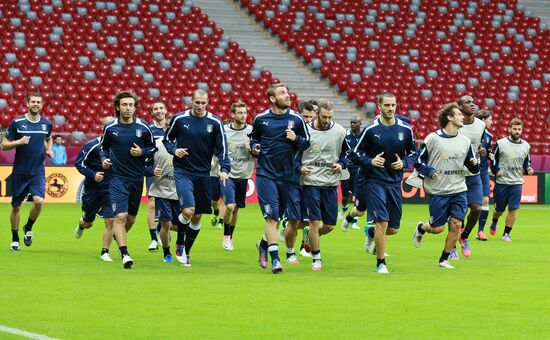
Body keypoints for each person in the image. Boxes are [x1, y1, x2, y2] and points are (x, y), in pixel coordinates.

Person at [343, 92, 416, 273]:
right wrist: (370, 161)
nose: (390, 109)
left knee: (393, 229)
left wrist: (404, 163)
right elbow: (354, 154)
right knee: (382, 222)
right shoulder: (371, 130)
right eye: (387, 105)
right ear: (379, 107)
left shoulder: (405, 130)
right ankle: (381, 263)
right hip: (373, 180)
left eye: (393, 105)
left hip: (394, 181)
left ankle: (370, 233)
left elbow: (413, 153)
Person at [163, 89, 230, 267]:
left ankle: (186, 252)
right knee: (188, 211)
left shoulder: (215, 122)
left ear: (207, 102)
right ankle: (179, 243)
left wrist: (224, 168)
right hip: (183, 171)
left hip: (203, 174)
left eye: (203, 103)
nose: (200, 106)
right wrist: (174, 150)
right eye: (197, 103)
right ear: (191, 101)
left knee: (198, 216)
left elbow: (223, 148)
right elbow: (167, 139)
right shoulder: (179, 119)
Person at [249, 83, 310, 273]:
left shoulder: (296, 119)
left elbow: (306, 143)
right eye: (282, 93)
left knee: (277, 217)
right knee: (271, 217)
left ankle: (263, 245)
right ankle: (276, 259)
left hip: (287, 176)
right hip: (266, 174)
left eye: (287, 92)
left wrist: (296, 139)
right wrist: (255, 147)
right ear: (272, 99)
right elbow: (254, 138)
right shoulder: (261, 119)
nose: (287, 95)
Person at [412, 103, 479, 269]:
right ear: (449, 117)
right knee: (437, 229)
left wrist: (475, 164)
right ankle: (421, 227)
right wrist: (429, 170)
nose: (462, 117)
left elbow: (472, 168)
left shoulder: (465, 141)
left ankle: (444, 259)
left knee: (456, 224)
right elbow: (418, 162)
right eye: (458, 114)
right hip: (438, 191)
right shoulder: (433, 138)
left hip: (459, 189)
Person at [100, 91, 156, 269]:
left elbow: (153, 148)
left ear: (135, 107)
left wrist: (142, 152)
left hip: (137, 179)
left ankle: (118, 236)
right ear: (118, 107)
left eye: (131, 105)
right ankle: (125, 253)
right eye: (124, 105)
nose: (128, 108)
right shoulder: (110, 128)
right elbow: (103, 148)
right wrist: (104, 159)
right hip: (117, 178)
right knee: (120, 216)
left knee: (130, 219)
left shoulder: (143, 127)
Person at [299, 99, 348, 270]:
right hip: (310, 182)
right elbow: (295, 153)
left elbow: (347, 154)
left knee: (329, 225)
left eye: (329, 117)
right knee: (314, 221)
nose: (326, 120)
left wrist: (341, 164)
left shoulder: (340, 131)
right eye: (324, 116)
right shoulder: (306, 131)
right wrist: (299, 167)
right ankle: (316, 258)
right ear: (317, 113)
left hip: (330, 183)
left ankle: (309, 236)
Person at [2, 93, 53, 251]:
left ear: (42, 105)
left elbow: (49, 138)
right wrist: (19, 141)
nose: (36, 104)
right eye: (33, 102)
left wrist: (49, 149)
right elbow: (4, 144)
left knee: (39, 201)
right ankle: (15, 237)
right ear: (28, 104)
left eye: (38, 102)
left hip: (38, 171)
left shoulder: (46, 123)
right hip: (20, 172)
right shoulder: (17, 122)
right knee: (16, 207)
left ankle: (28, 227)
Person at [74, 116, 116, 262]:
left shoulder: (119, 145)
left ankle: (105, 252)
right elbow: (79, 163)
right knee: (88, 222)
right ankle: (81, 226)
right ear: (102, 128)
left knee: (110, 220)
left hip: (111, 189)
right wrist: (93, 175)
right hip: (93, 190)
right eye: (107, 126)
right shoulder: (93, 145)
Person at [147, 117, 184, 263]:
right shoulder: (156, 145)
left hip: (180, 191)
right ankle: (167, 253)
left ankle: (160, 229)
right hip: (161, 191)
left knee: (179, 225)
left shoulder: (187, 145)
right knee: (167, 224)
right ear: (165, 128)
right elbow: (144, 164)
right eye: (168, 126)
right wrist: (151, 170)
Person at [489, 118, 533, 241]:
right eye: (514, 129)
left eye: (519, 129)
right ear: (509, 129)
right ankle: (494, 220)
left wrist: (528, 169)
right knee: (499, 209)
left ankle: (506, 234)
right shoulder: (501, 143)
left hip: (517, 182)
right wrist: (496, 170)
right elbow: (493, 159)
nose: (517, 131)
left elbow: (527, 162)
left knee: (513, 209)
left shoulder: (526, 146)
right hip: (502, 182)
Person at [220, 101, 255, 251]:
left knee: (236, 209)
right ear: (233, 115)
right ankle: (226, 235)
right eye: (240, 113)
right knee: (229, 206)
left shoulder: (252, 131)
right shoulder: (224, 130)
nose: (243, 115)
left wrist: (252, 149)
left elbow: (259, 151)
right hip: (227, 174)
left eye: (245, 112)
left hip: (244, 174)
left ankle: (230, 236)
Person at [283, 100, 315, 263]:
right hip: (294, 180)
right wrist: (297, 169)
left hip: (311, 181)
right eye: (305, 116)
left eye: (310, 116)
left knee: (308, 221)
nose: (307, 120)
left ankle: (267, 239)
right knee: (295, 219)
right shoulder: (290, 130)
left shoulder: (315, 131)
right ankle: (290, 253)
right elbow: (287, 156)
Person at [455, 95, 485, 258]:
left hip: (474, 173)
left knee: (477, 208)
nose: (472, 104)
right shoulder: (455, 124)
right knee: (455, 215)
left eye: (473, 102)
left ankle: (464, 236)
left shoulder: (480, 125)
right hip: (457, 175)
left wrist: (481, 151)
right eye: (468, 102)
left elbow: (479, 144)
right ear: (459, 106)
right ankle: (451, 245)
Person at [145, 101, 168, 251]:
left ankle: (163, 230)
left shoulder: (174, 129)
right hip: (154, 171)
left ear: (165, 111)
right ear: (152, 112)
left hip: (173, 172)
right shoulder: (149, 130)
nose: (159, 111)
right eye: (156, 109)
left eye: (161, 108)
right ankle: (153, 238)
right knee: (152, 202)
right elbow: (145, 150)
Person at [338, 115, 362, 229]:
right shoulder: (345, 136)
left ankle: (354, 220)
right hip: (347, 169)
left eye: (355, 122)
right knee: (345, 196)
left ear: (360, 124)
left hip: (358, 169)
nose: (352, 124)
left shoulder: (364, 136)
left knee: (358, 195)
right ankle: (344, 207)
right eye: (351, 122)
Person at [475, 109, 494, 241]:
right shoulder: (471, 132)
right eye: (489, 120)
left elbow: (487, 150)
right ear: (482, 120)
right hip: (470, 172)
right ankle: (460, 228)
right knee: (466, 203)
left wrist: (490, 154)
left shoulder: (489, 136)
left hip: (483, 172)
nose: (491, 122)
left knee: (486, 200)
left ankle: (480, 231)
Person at [209, 155, 225, 230]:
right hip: (213, 175)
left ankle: (221, 220)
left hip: (225, 175)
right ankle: (216, 211)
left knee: (225, 199)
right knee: (213, 201)